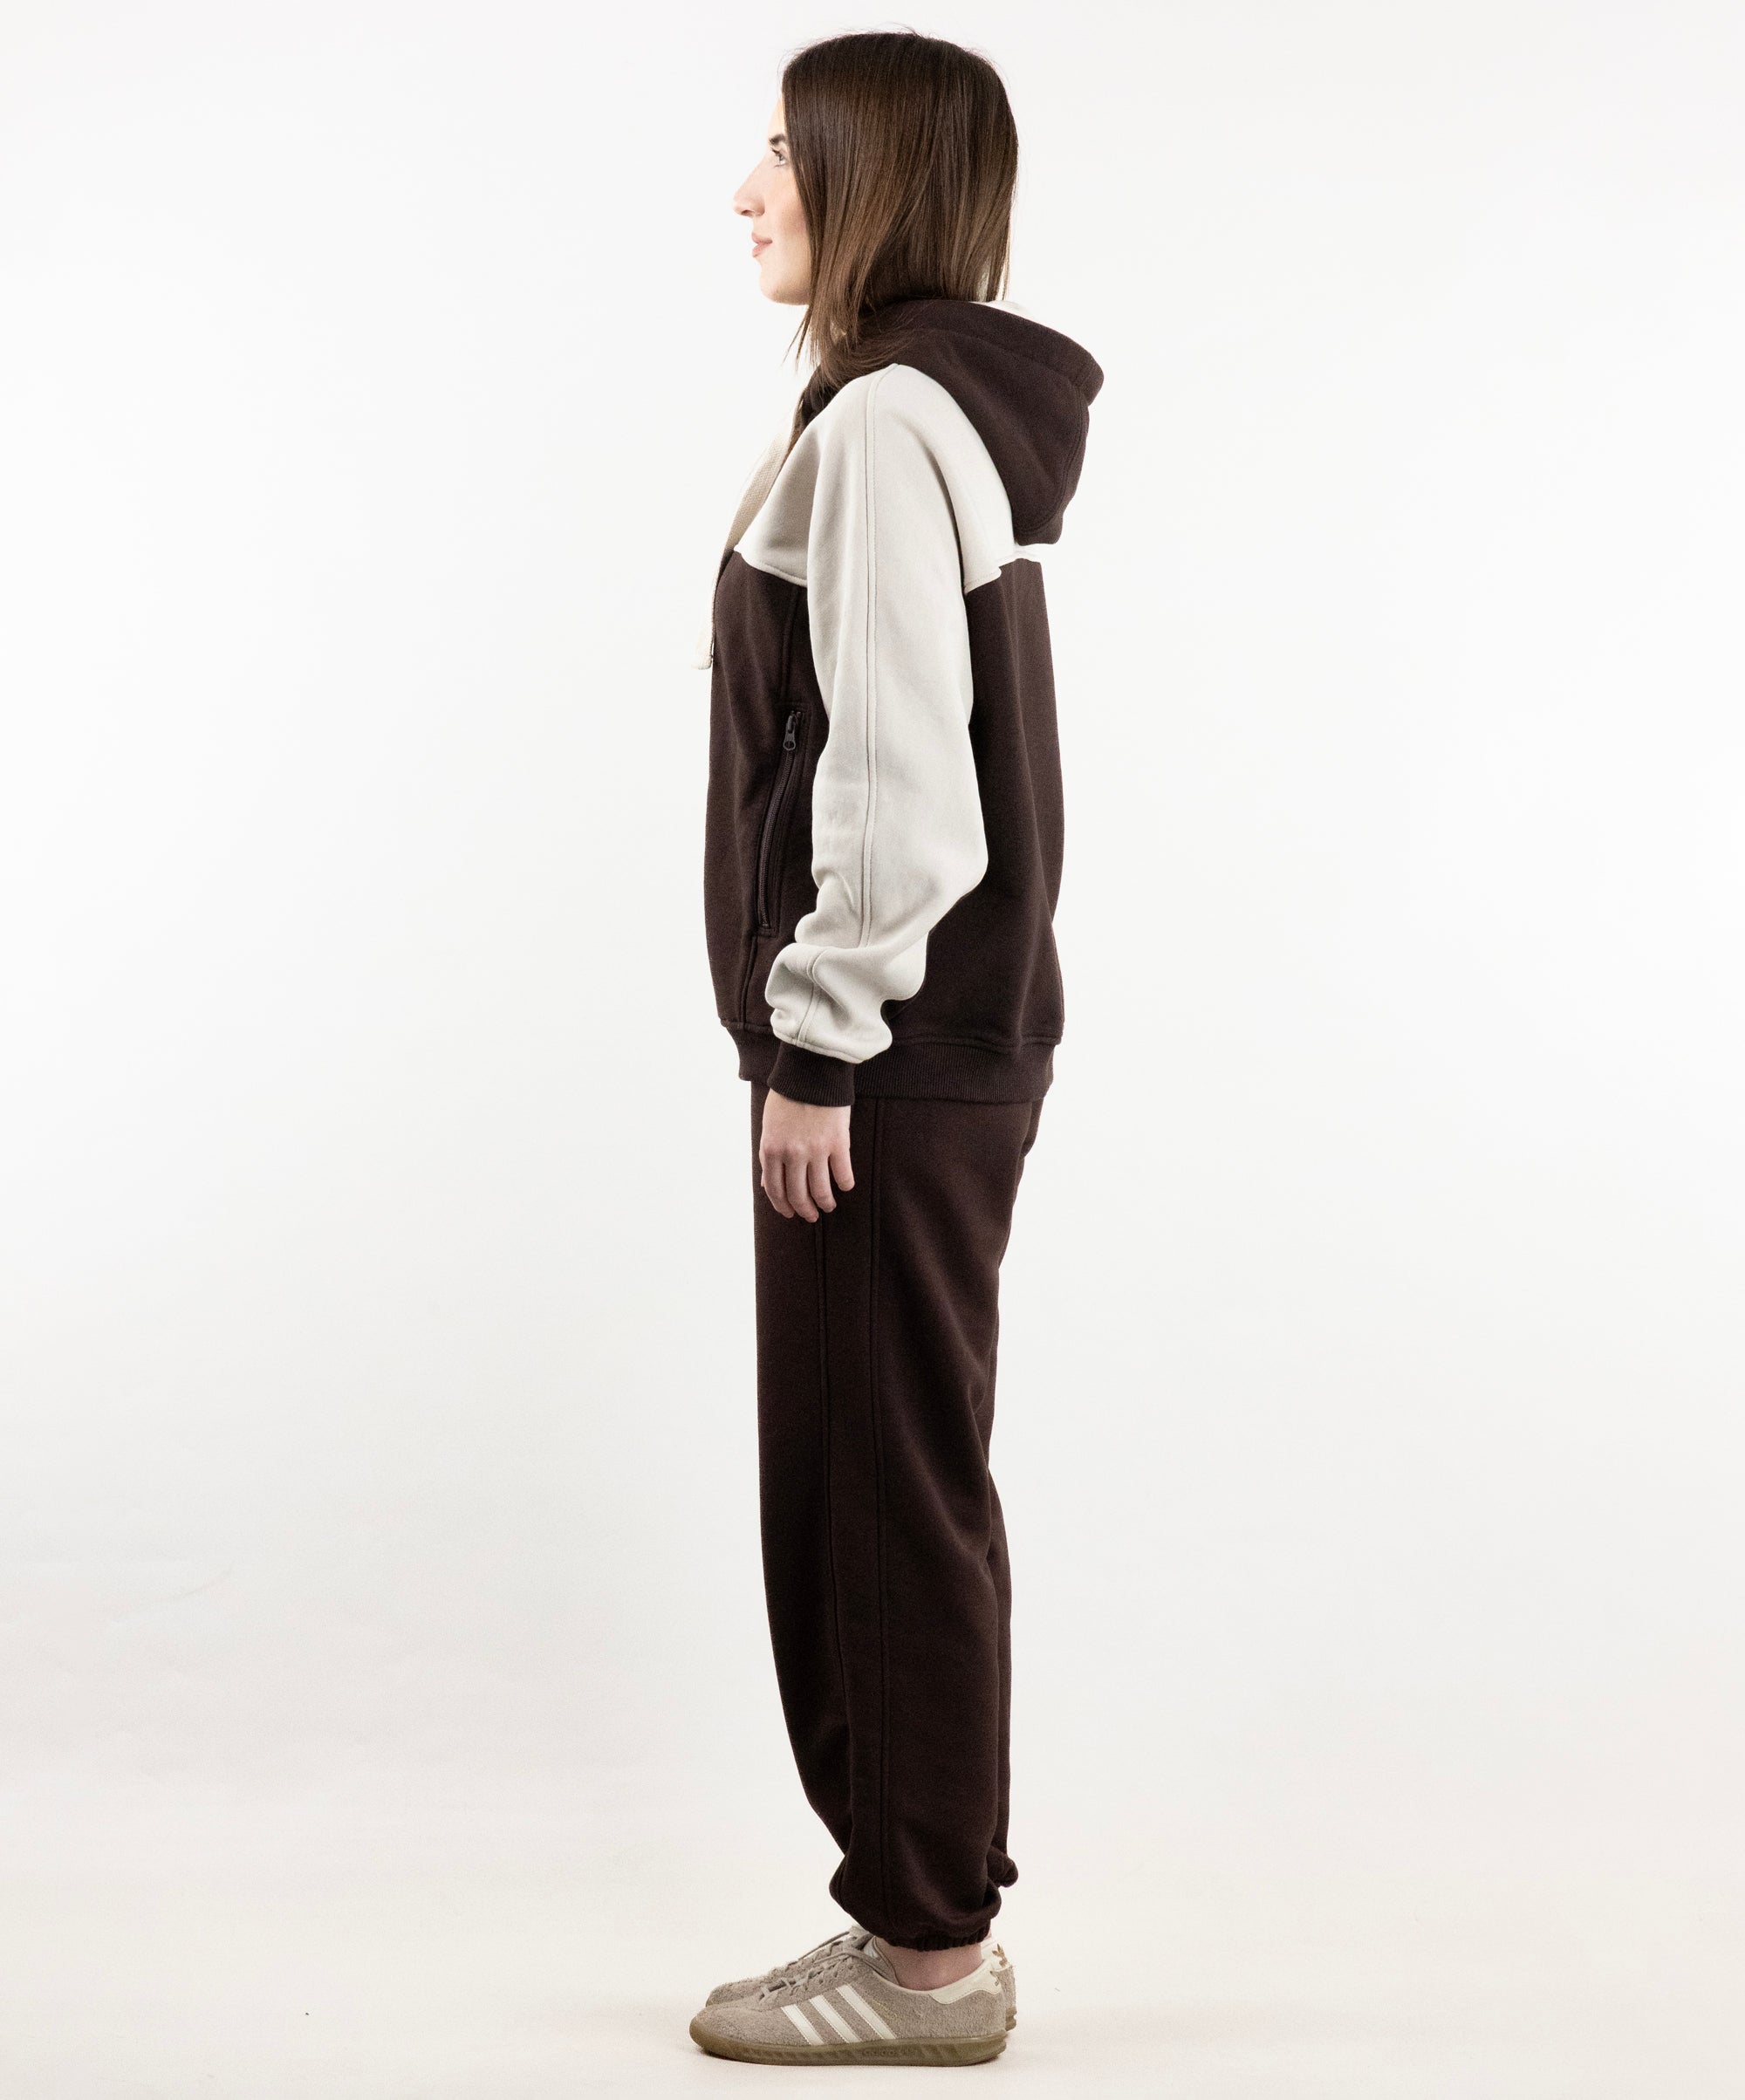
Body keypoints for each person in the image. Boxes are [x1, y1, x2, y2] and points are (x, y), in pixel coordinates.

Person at [689, 28, 1103, 2068]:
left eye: (782, 150)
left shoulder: (879, 426)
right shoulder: (932, 414)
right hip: (939, 1051)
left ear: (871, 178)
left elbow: (894, 784)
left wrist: (815, 1044)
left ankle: (924, 1957)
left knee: (873, 1488)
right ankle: (919, 1922)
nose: (746, 187)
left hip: (890, 1059)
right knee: (897, 1473)